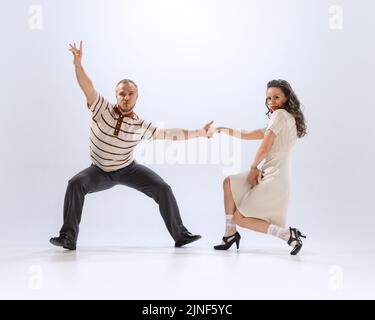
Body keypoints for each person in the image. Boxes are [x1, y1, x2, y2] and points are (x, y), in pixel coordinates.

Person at [50, 41, 212, 250]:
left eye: (130, 94)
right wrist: (78, 64)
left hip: (128, 169)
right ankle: (68, 238)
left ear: (137, 96)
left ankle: (181, 235)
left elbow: (168, 134)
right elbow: (86, 86)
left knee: (163, 188)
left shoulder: (140, 124)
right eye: (121, 94)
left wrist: (199, 132)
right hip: (99, 171)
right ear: (116, 95)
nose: (126, 97)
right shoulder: (101, 108)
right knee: (75, 184)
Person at [210, 79, 307, 255]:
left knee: (241, 217)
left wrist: (254, 167)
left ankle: (287, 235)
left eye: (277, 97)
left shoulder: (280, 116)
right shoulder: (286, 119)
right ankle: (230, 234)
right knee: (228, 183)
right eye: (269, 98)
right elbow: (249, 134)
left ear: (287, 98)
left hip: (274, 178)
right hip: (272, 175)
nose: (272, 103)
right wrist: (223, 129)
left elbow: (264, 147)